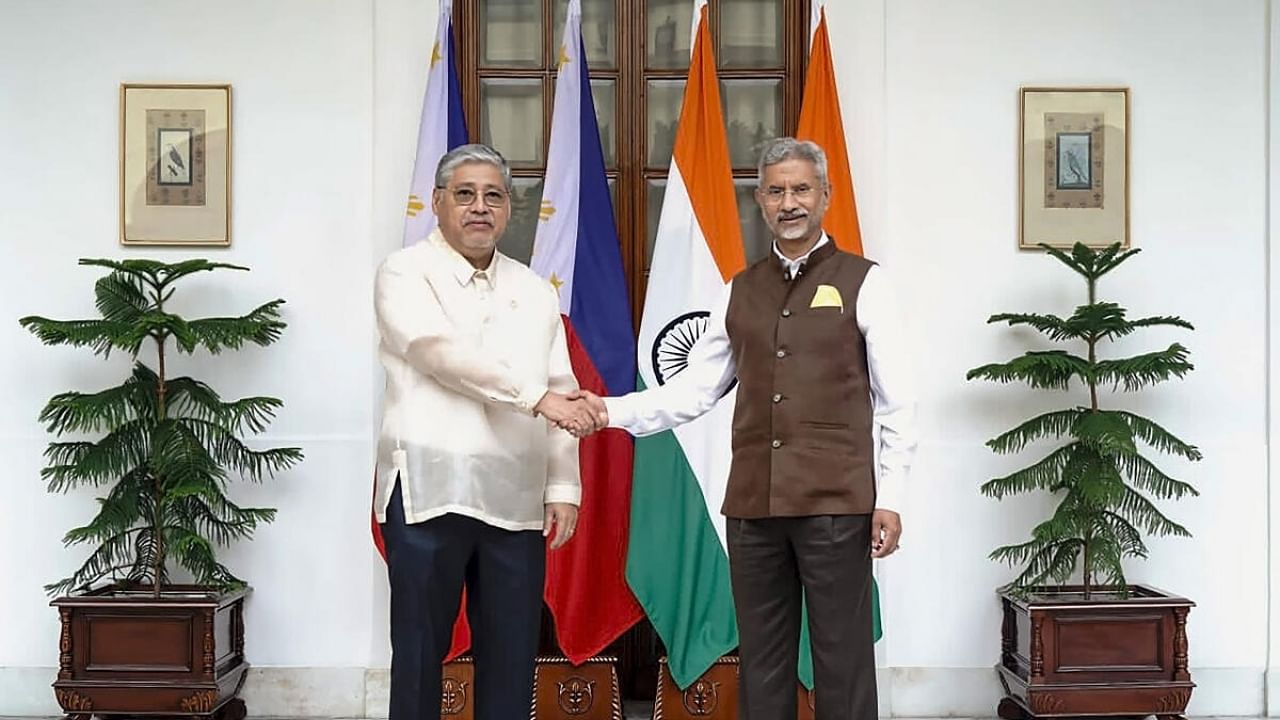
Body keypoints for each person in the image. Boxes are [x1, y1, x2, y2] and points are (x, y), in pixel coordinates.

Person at [579, 137, 917, 720]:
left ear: (825, 197)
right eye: (777, 190)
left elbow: (897, 404)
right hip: (753, 511)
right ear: (760, 200)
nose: (790, 202)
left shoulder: (867, 283)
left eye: (801, 189)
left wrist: (891, 499)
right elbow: (693, 391)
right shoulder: (739, 290)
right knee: (762, 661)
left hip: (837, 505)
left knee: (843, 660)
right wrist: (608, 411)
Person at [373, 143, 596, 720]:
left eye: (493, 196)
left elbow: (562, 387)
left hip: (514, 497)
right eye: (465, 194)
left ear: (509, 210)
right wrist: (534, 399)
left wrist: (563, 487)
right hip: (428, 489)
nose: (479, 207)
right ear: (439, 203)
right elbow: (435, 353)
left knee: (511, 660)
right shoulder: (403, 272)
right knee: (420, 657)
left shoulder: (534, 291)